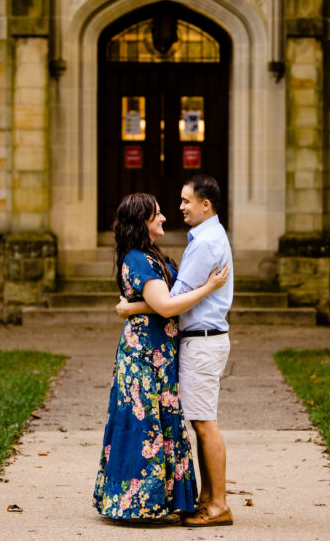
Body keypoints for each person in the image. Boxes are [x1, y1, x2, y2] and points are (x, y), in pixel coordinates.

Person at [93, 193, 230, 522]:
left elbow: (165, 300)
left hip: (160, 351)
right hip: (144, 355)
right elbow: (167, 306)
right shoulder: (138, 259)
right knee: (144, 425)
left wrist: (131, 307)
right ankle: (136, 504)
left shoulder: (154, 255)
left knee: (162, 423)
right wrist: (210, 287)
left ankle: (165, 500)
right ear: (141, 222)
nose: (165, 217)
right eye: (156, 214)